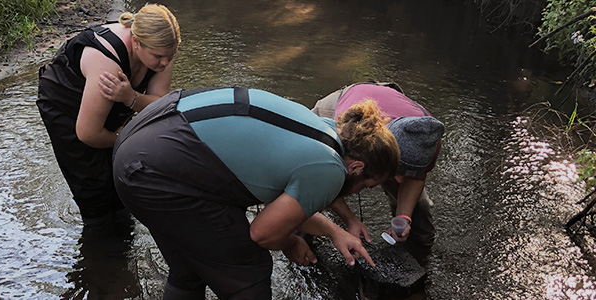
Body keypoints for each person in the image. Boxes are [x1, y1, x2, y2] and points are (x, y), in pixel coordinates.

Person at [112, 86, 400, 299]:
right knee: (248, 274)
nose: (359, 191)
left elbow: (284, 206)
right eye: (366, 185)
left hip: (143, 139)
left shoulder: (326, 130)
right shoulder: (330, 168)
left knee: (189, 267)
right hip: (156, 173)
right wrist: (288, 243)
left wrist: (336, 232)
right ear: (357, 167)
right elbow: (262, 233)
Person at [36, 3, 181, 226]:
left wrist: (130, 97)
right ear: (136, 42)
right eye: (159, 56)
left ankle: (123, 234)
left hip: (113, 99)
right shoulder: (107, 63)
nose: (165, 62)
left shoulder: (161, 51)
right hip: (64, 105)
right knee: (93, 188)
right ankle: (100, 240)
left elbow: (158, 106)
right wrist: (124, 139)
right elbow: (87, 133)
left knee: (124, 178)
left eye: (170, 57)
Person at [312, 81, 445, 256]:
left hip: (387, 112)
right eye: (395, 172)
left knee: (419, 210)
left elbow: (417, 178)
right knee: (311, 192)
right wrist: (350, 220)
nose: (397, 181)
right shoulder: (343, 134)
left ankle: (420, 254)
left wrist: (404, 217)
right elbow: (321, 180)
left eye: (404, 173)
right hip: (340, 109)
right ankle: (302, 243)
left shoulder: (426, 140)